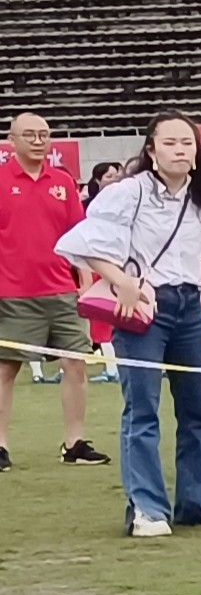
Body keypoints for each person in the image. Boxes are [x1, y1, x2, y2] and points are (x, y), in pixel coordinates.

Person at [57, 114, 201, 538]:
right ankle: (146, 507)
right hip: (143, 308)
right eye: (172, 142)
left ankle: (198, 500)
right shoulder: (128, 193)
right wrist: (121, 281)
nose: (181, 150)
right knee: (142, 410)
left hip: (190, 308)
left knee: (199, 411)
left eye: (188, 142)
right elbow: (81, 244)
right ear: (151, 151)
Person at [0, 111, 108, 468]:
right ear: (11, 140)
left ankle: (74, 443)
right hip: (11, 293)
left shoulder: (62, 182)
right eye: (28, 134)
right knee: (6, 368)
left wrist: (87, 286)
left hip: (62, 291)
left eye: (43, 134)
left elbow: (79, 239)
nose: (37, 140)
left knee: (75, 363)